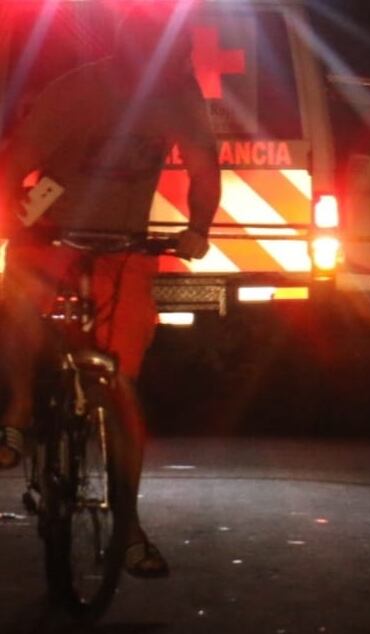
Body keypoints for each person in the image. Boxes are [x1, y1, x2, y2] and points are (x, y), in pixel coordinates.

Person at [0, 4, 221, 578]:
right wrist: (15, 224)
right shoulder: (75, 93)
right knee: (20, 302)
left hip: (123, 246)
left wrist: (198, 228)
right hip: (53, 232)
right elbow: (15, 164)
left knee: (121, 393)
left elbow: (205, 166)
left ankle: (127, 527)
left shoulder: (179, 94)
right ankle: (19, 412)